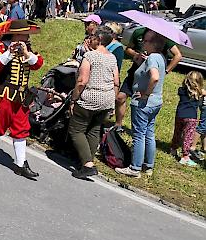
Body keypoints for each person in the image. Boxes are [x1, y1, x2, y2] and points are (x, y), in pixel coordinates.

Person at [0, 19, 43, 179]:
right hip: (4, 94)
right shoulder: (3, 46)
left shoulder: (29, 49)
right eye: (24, 34)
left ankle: (21, 163)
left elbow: (38, 64)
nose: (27, 37)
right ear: (15, 35)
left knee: (21, 129)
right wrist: (10, 53)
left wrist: (27, 53)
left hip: (21, 96)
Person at [68, 27, 120, 179]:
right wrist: (112, 100)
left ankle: (87, 164)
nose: (90, 39)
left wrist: (73, 99)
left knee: (76, 130)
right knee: (94, 130)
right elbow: (116, 81)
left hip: (90, 98)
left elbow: (82, 80)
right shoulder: (112, 58)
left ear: (99, 39)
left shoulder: (90, 56)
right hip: (107, 100)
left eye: (92, 36)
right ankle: (86, 161)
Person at [116, 31, 167, 178]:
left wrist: (145, 94)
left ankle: (135, 168)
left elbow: (155, 77)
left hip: (144, 102)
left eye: (145, 41)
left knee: (139, 135)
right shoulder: (160, 57)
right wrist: (142, 62)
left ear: (153, 44)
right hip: (156, 101)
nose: (143, 43)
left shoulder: (152, 58)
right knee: (149, 134)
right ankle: (148, 166)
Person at [114, 27, 182, 132]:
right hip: (135, 71)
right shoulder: (138, 32)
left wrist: (166, 71)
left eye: (146, 41)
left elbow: (178, 55)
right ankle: (118, 125)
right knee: (120, 97)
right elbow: (128, 49)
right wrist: (136, 55)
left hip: (148, 76)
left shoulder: (161, 36)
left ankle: (140, 131)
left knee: (142, 129)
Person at [170, 71, 203, 167]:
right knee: (188, 137)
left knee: (177, 133)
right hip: (191, 118)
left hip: (180, 115)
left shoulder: (181, 90)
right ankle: (185, 157)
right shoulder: (199, 93)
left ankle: (173, 149)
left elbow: (183, 90)